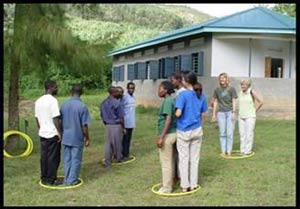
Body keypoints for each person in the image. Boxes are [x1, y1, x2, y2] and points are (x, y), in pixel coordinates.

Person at [175, 71, 206, 192]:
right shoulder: (201, 95)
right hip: (197, 130)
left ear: (187, 82)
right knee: (194, 159)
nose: (181, 81)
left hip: (184, 131)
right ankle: (193, 184)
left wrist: (174, 112)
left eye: (183, 79)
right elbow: (203, 113)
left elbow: (178, 113)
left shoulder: (182, 95)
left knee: (183, 159)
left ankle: (185, 185)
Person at [60, 84, 91, 186]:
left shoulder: (64, 105)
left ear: (71, 92)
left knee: (67, 159)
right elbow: (84, 125)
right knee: (76, 159)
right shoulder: (82, 106)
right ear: (81, 93)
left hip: (66, 137)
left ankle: (67, 178)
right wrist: (87, 137)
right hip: (76, 137)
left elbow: (60, 121)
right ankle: (72, 180)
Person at [35, 80, 62, 185]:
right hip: (52, 133)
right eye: (56, 87)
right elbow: (55, 118)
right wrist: (60, 133)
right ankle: (51, 179)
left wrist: (40, 129)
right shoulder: (53, 101)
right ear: (50, 88)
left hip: (43, 133)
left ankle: (44, 177)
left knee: (44, 156)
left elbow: (37, 118)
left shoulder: (38, 101)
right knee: (53, 158)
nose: (57, 89)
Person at [156, 80, 177, 194]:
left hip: (168, 135)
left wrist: (161, 137)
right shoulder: (171, 100)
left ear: (166, 90)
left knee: (166, 162)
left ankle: (167, 187)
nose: (158, 90)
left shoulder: (168, 101)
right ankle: (171, 181)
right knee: (171, 160)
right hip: (173, 133)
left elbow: (168, 119)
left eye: (160, 88)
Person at [211, 72, 238, 156]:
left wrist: (234, 112)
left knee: (229, 133)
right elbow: (215, 102)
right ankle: (223, 151)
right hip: (221, 113)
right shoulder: (217, 90)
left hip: (230, 112)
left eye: (224, 78)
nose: (222, 79)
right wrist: (214, 114)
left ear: (227, 79)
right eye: (221, 78)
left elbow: (234, 100)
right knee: (222, 133)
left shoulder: (232, 89)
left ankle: (229, 151)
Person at [100, 86, 125, 168]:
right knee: (117, 143)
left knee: (108, 144)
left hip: (107, 125)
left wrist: (106, 123)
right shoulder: (117, 103)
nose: (119, 93)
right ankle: (118, 158)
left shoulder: (103, 103)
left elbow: (102, 116)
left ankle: (107, 161)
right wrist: (123, 127)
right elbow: (121, 117)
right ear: (113, 93)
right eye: (117, 92)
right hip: (116, 125)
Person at [238, 79, 263, 155]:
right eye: (242, 84)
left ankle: (248, 150)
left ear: (248, 85)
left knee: (249, 134)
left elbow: (261, 102)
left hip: (250, 116)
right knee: (242, 134)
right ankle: (242, 150)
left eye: (244, 84)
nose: (243, 86)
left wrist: (255, 110)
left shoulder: (251, 92)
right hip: (241, 116)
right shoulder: (240, 93)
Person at [121, 82, 136, 160]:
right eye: (130, 88)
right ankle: (123, 154)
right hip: (125, 123)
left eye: (133, 88)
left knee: (128, 139)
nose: (131, 89)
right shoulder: (124, 98)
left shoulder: (133, 97)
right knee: (124, 140)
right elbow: (121, 110)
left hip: (131, 123)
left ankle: (126, 153)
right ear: (127, 88)